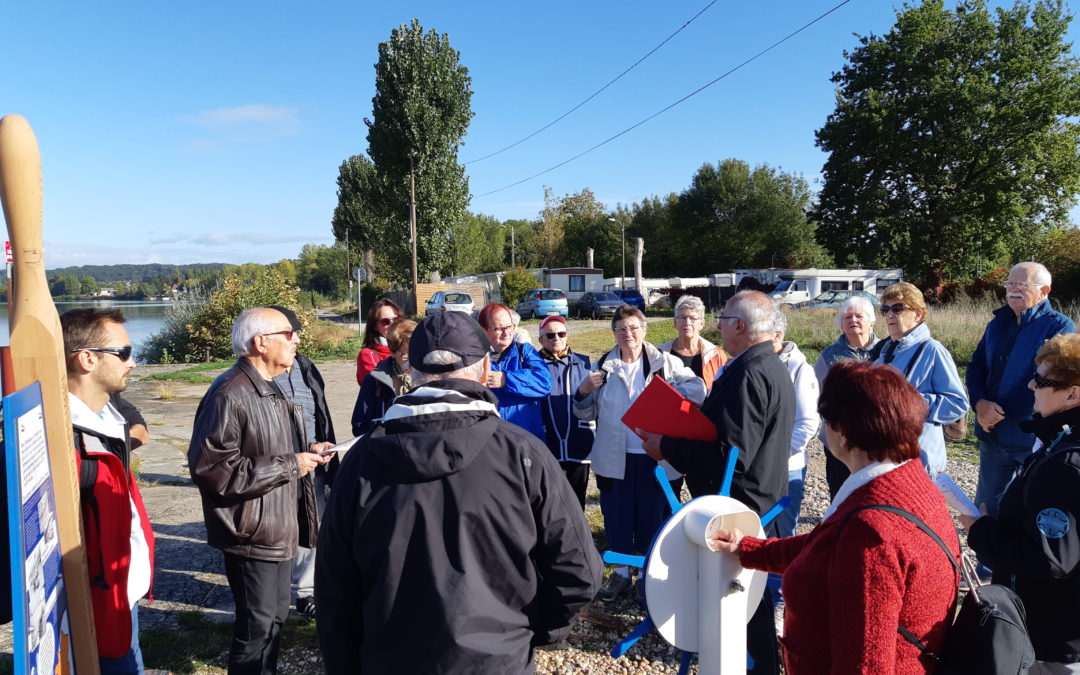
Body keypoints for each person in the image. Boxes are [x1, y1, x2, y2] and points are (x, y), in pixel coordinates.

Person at [314, 312, 601, 674]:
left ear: (412, 373)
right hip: (496, 660)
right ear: (484, 370)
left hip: (393, 659)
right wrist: (529, 632)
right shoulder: (523, 454)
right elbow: (581, 573)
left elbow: (333, 589)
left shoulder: (361, 461)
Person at [711, 360, 960, 674]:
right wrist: (750, 550)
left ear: (842, 433)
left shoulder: (870, 532)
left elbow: (867, 665)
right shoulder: (909, 481)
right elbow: (827, 548)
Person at [639, 290, 794, 675]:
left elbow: (729, 457)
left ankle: (754, 668)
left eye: (723, 319)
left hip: (739, 507)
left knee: (743, 602)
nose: (719, 326)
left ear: (739, 326)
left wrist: (667, 445)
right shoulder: (767, 365)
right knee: (748, 599)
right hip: (758, 498)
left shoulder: (750, 374)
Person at [189, 307, 327, 675]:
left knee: (274, 620)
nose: (296, 338)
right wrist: (291, 465)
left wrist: (307, 453)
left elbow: (267, 449)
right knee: (257, 629)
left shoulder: (269, 386)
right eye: (288, 333)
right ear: (259, 342)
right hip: (252, 533)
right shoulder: (230, 394)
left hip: (278, 529)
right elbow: (212, 471)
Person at [963, 333, 1080, 673]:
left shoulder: (1064, 463)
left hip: (1053, 638)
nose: (1030, 385)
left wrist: (983, 532)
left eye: (1042, 380)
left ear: (1073, 394)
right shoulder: (1059, 442)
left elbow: (1051, 561)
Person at [574, 305, 705, 603]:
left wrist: (673, 395)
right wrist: (581, 391)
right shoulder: (603, 366)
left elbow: (699, 390)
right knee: (618, 518)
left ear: (644, 330)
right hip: (614, 458)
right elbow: (583, 412)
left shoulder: (666, 363)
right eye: (621, 329)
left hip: (655, 457)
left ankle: (648, 578)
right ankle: (621, 573)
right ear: (614, 333)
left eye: (633, 328)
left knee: (652, 517)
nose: (628, 334)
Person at [61, 308, 155, 675]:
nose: (132, 363)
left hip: (121, 592)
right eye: (125, 353)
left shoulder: (107, 419)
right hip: (89, 609)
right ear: (87, 359)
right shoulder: (59, 439)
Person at [968, 262, 1074, 522]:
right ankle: (985, 563)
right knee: (986, 509)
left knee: (1027, 510)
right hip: (992, 435)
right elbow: (977, 366)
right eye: (1010, 283)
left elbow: (1045, 382)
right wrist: (980, 404)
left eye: (1022, 284)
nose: (1013, 289)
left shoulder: (1059, 327)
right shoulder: (998, 323)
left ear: (1044, 290)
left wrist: (998, 413)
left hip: (1031, 437)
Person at [266, 306, 337, 620]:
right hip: (278, 466)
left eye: (296, 333)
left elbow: (319, 413)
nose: (297, 339)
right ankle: (278, 595)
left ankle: (308, 592)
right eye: (290, 333)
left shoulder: (306, 367)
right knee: (282, 530)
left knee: (314, 526)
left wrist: (322, 444)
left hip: (313, 460)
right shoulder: (258, 377)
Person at [873, 282, 969, 478]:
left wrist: (908, 401)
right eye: (885, 309)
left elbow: (958, 404)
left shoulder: (932, 350)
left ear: (917, 314)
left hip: (918, 463)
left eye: (898, 308)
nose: (890, 314)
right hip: (888, 459)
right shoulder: (886, 350)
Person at [813, 294, 880, 498]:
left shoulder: (886, 350)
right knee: (841, 495)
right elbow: (819, 396)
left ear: (872, 321)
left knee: (875, 494)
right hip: (841, 441)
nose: (853, 321)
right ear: (841, 324)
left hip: (878, 439)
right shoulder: (829, 356)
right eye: (847, 317)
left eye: (859, 316)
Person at [536, 315, 595, 510]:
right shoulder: (533, 366)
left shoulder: (585, 363)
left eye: (561, 334)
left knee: (577, 501)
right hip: (547, 444)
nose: (556, 339)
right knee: (550, 502)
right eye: (550, 335)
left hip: (579, 443)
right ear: (541, 340)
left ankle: (578, 538)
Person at [771, 311, 820, 540]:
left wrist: (777, 456)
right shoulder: (749, 364)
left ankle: (781, 577)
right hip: (757, 468)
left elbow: (808, 423)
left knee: (783, 535)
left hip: (787, 468)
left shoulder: (800, 369)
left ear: (777, 335)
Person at [477, 302, 551, 440]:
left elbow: (544, 383)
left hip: (525, 440)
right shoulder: (473, 359)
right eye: (499, 329)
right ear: (484, 330)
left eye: (509, 327)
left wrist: (507, 380)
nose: (506, 333)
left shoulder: (525, 352)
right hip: (489, 442)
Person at [351, 319, 416, 436]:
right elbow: (360, 426)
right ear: (392, 352)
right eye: (405, 354)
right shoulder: (374, 381)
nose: (413, 359)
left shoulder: (431, 377)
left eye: (416, 352)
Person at [658, 294, 728, 391]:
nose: (687, 323)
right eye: (682, 317)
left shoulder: (716, 355)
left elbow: (725, 390)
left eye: (693, 318)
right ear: (675, 323)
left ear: (702, 324)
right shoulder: (661, 354)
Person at [355, 298, 401, 385]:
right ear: (375, 326)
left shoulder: (410, 349)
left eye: (396, 319)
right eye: (385, 321)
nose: (392, 325)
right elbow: (382, 387)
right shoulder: (368, 355)